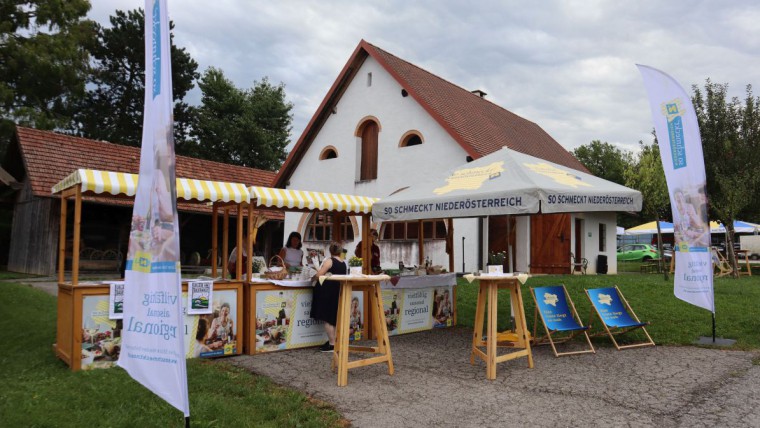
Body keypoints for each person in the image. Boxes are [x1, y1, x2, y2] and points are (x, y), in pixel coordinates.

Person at [311, 242, 346, 352]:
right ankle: (333, 340)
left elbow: (319, 275)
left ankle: (331, 344)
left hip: (327, 292)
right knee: (333, 317)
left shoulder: (329, 261)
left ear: (330, 251)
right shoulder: (343, 263)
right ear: (340, 251)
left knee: (327, 318)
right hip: (337, 291)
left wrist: (313, 277)